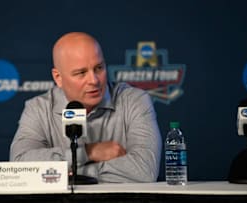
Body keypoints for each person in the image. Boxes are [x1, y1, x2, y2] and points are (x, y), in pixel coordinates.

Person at [10, 32, 162, 183]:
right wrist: (89, 152)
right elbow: (20, 166)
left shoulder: (134, 101)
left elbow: (145, 170)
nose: (94, 80)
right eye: (81, 73)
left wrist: (71, 173)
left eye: (99, 68)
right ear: (58, 78)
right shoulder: (38, 108)